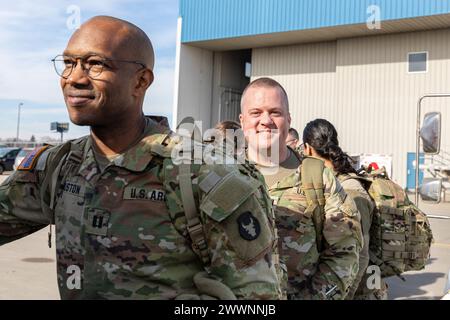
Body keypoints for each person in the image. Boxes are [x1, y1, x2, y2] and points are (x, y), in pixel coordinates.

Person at [0, 16, 282, 300]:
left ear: (141, 80)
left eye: (95, 64)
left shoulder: (204, 174)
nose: (74, 77)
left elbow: (259, 301)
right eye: (68, 63)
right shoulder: (58, 166)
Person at [239, 77, 363, 300]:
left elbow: (345, 250)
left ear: (288, 119)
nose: (265, 120)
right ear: (242, 120)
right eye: (256, 113)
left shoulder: (316, 176)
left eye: (275, 112)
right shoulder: (219, 175)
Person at [302, 118, 387, 300]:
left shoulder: (349, 190)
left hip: (359, 291)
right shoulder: (326, 183)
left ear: (307, 149)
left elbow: (360, 256)